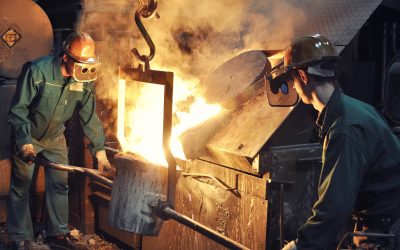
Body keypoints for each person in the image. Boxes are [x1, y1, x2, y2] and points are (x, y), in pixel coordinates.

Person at [277, 34, 400, 249]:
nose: (293, 87)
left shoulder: (344, 128)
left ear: (302, 77)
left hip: (387, 226)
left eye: (292, 80)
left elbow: (334, 206)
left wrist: (301, 245)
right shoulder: (356, 108)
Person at [7, 31, 111, 249]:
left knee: (59, 184)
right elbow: (19, 109)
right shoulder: (37, 71)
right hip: (29, 135)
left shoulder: (84, 78)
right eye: (81, 63)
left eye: (89, 64)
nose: (86, 69)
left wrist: (99, 152)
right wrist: (25, 142)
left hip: (55, 137)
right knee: (21, 187)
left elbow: (89, 115)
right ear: (65, 57)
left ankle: (57, 234)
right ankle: (21, 238)